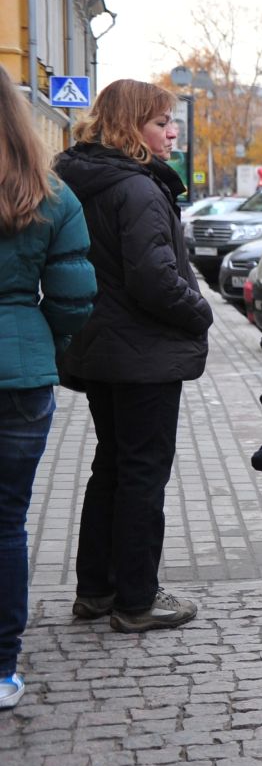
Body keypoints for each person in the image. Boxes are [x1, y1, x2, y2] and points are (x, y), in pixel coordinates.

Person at [54, 80, 209, 634]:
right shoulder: (137, 189)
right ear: (130, 127)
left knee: (112, 468)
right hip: (143, 354)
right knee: (142, 474)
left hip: (99, 349)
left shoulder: (78, 180)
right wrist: (201, 312)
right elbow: (155, 280)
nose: (172, 133)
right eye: (161, 122)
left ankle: (96, 591)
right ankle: (138, 600)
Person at [0, 68, 96, 710]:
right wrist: (47, 352)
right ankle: (3, 668)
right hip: (20, 374)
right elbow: (74, 299)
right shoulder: (48, 195)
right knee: (6, 524)